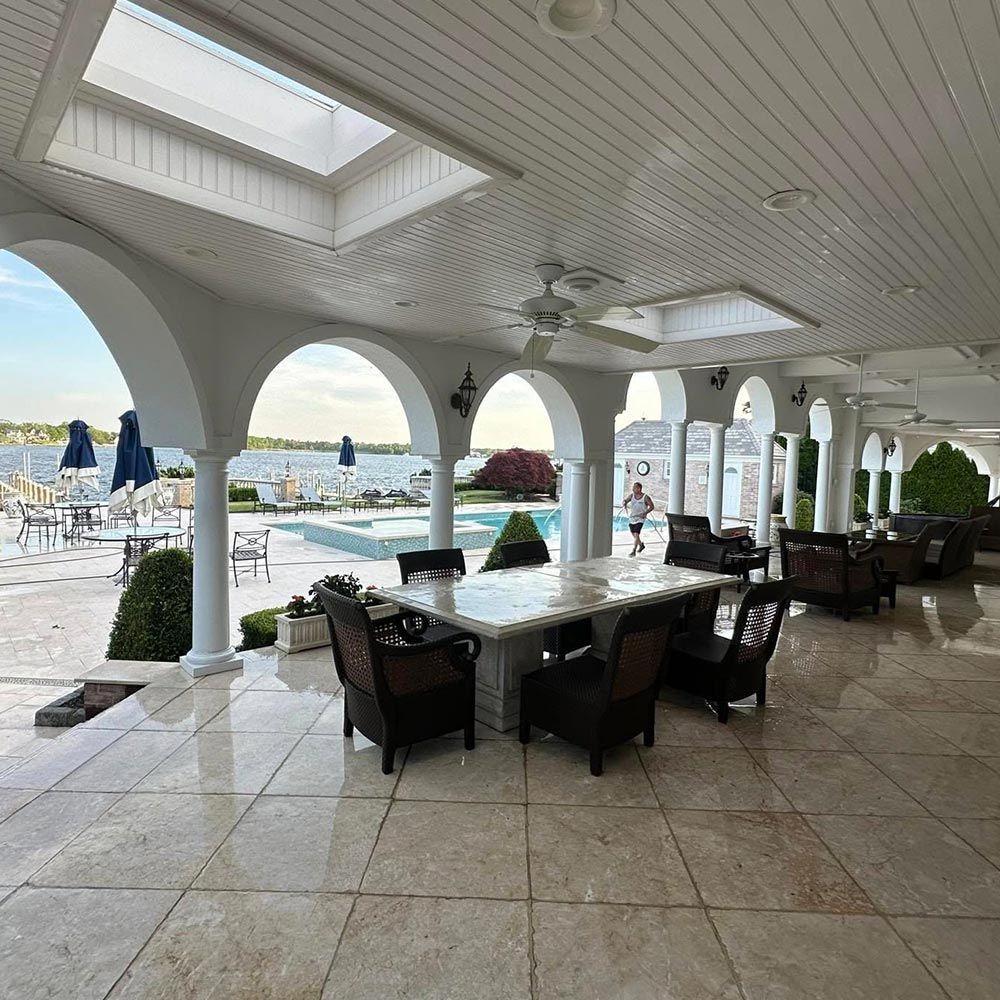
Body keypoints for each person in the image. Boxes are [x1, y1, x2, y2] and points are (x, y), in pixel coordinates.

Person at [623, 482, 654, 556]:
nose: (633, 489)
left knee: (636, 533)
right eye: (633, 487)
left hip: (640, 518)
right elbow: (626, 500)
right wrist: (624, 502)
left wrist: (645, 513)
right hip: (632, 517)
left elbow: (652, 506)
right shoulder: (632, 496)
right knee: (634, 534)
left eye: (634, 488)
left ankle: (633, 550)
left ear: (639, 488)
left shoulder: (645, 497)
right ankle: (641, 545)